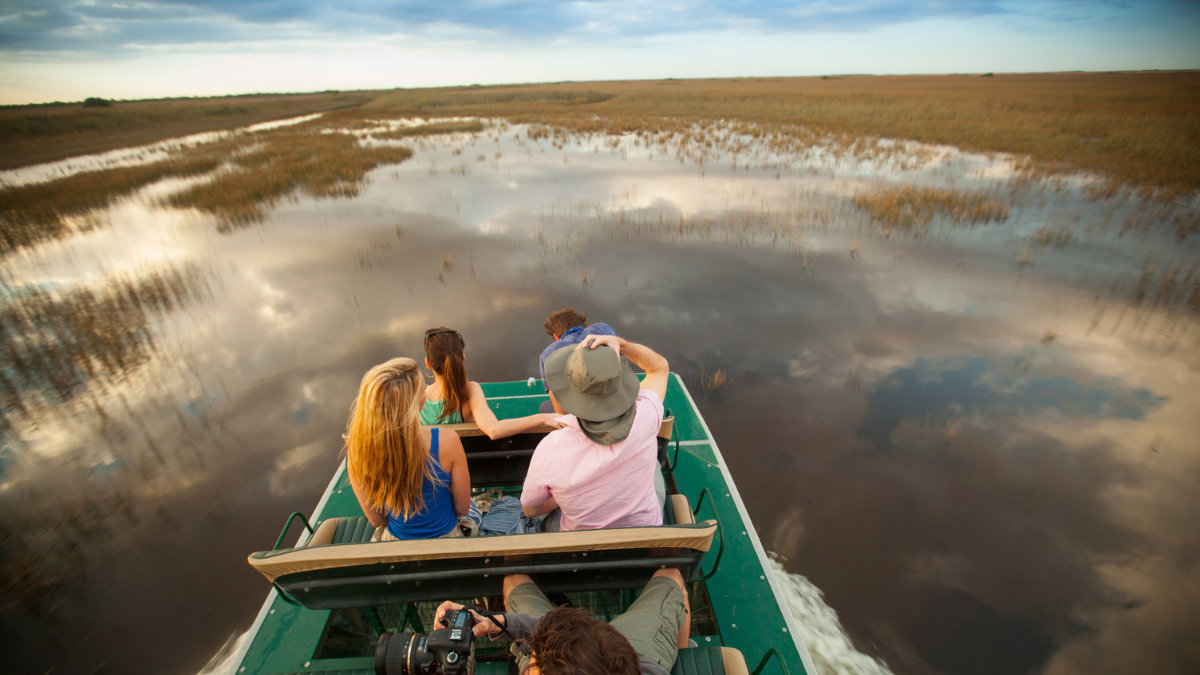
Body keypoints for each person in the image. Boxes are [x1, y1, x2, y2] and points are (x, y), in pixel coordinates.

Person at [522, 334, 668, 531]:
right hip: (644, 536)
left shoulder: (550, 448)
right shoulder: (647, 413)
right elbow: (659, 368)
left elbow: (530, 509)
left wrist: (562, 498)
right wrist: (622, 344)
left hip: (584, 548)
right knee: (655, 467)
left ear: (569, 392)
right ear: (620, 381)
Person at [434, 568, 691, 675]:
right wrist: (495, 622)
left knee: (514, 581)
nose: (532, 654)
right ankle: (685, 653)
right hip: (638, 654)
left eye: (534, 662)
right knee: (670, 576)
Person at [343, 357, 471, 541]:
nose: (426, 392)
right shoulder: (447, 440)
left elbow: (377, 520)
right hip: (447, 540)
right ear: (413, 405)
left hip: (397, 545)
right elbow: (462, 509)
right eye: (422, 390)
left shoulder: (356, 451)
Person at [422, 326, 561, 438]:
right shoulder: (469, 390)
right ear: (462, 358)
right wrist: (543, 418)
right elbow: (494, 430)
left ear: (428, 363)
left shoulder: (418, 396)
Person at [537, 308, 616, 413]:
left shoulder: (548, 354)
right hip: (613, 398)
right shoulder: (602, 329)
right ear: (583, 326)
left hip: (583, 408)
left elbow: (559, 407)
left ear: (556, 336)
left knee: (544, 406)